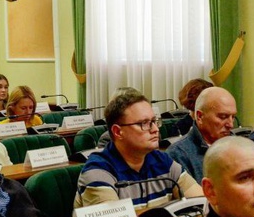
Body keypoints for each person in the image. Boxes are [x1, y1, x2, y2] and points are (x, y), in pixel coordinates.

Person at [74, 89, 202, 208]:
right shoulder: (98, 171)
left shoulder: (163, 161)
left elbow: (201, 203)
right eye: (144, 123)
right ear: (118, 132)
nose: (155, 129)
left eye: (154, 121)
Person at [167, 86, 237, 181]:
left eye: (233, 117)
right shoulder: (178, 154)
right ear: (200, 117)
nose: (231, 125)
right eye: (223, 117)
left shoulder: (239, 147)